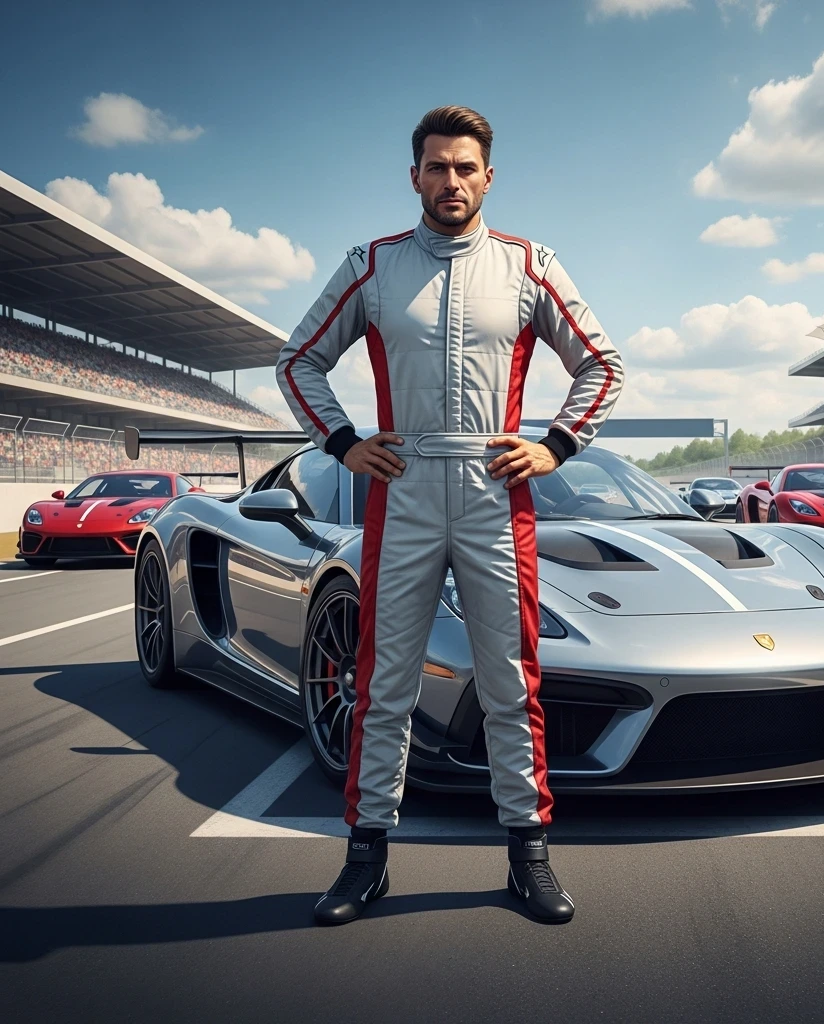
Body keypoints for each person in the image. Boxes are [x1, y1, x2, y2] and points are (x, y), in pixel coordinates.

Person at [277, 105, 623, 925]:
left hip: (494, 492)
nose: (452, 180)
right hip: (400, 490)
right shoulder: (371, 265)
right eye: (437, 167)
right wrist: (342, 442)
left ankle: (529, 855)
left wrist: (556, 445)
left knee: (510, 680)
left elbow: (602, 365)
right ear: (415, 177)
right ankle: (365, 859)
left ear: (488, 177)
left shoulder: (530, 264)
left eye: (466, 167)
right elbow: (298, 361)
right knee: (382, 683)